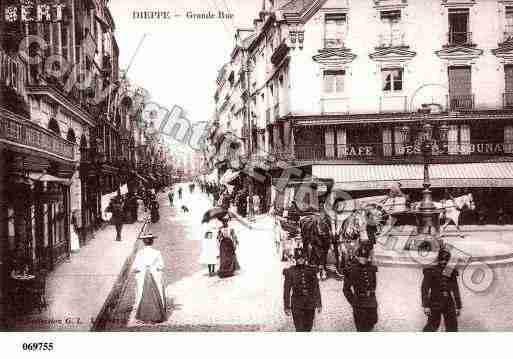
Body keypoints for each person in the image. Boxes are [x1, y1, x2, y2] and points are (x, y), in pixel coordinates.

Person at [421, 247, 462, 332]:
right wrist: (426, 306)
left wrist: (458, 306)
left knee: (452, 327)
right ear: (438, 259)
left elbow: (455, 289)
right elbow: (424, 289)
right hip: (435, 302)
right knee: (432, 326)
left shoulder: (450, 271)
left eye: (446, 260)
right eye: (442, 259)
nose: (444, 262)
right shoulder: (430, 271)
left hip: (449, 303)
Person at [283, 248, 322, 332]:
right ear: (295, 259)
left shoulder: (311, 271)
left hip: (310, 304)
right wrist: (286, 306)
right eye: (298, 258)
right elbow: (286, 290)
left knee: (308, 328)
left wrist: (319, 303)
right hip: (297, 305)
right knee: (299, 329)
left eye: (302, 258)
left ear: (305, 258)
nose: (300, 260)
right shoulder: (290, 272)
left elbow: (316, 288)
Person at [132, 233, 166, 323]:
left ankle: (143, 314)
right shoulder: (157, 253)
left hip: (143, 274)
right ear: (152, 242)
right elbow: (161, 266)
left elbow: (135, 267)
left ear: (144, 242)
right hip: (154, 274)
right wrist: (156, 268)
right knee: (157, 291)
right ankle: (158, 313)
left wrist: (140, 269)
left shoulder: (140, 253)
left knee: (141, 291)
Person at [343, 245, 378, 331]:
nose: (363, 260)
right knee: (361, 328)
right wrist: (353, 302)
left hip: (371, 304)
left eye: (365, 257)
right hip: (359, 304)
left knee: (370, 327)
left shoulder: (371, 268)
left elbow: (373, 285)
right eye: (361, 257)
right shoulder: (351, 270)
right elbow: (346, 289)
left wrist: (372, 297)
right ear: (357, 257)